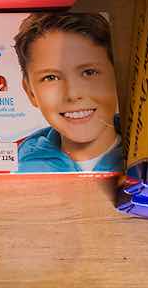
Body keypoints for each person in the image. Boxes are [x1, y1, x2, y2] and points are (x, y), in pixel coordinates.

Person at [12, 12, 123, 174]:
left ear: (118, 77)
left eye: (89, 72)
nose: (73, 94)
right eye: (51, 77)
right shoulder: (16, 170)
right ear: (30, 92)